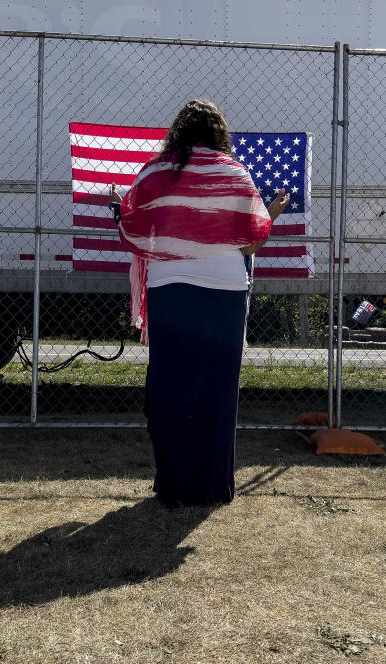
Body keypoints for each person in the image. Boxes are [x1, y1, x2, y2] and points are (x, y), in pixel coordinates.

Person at [110, 99, 289, 506]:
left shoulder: (156, 173)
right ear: (218, 134)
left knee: (171, 390)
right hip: (224, 291)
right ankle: (212, 488)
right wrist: (272, 214)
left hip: (170, 289)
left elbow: (133, 227)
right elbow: (252, 241)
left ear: (178, 131)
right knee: (216, 392)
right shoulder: (234, 172)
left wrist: (117, 205)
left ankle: (173, 486)